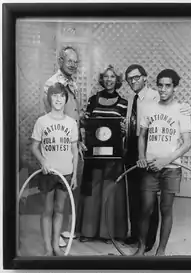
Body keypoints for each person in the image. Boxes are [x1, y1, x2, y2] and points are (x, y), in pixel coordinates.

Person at [124, 64, 191, 252]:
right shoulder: (149, 108)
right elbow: (142, 136)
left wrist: (166, 160)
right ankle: (141, 248)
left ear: (174, 88)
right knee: (145, 209)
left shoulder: (181, 110)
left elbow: (187, 143)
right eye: (160, 85)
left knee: (166, 209)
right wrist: (141, 156)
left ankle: (160, 250)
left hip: (171, 169)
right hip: (150, 168)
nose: (163, 89)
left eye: (168, 86)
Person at [78, 65, 128, 243]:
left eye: (112, 77)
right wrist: (83, 120)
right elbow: (85, 123)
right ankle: (88, 232)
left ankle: (109, 233)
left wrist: (124, 129)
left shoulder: (124, 103)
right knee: (92, 191)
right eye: (106, 77)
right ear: (102, 79)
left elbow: (125, 129)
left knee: (109, 192)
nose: (109, 80)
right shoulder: (93, 100)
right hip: (94, 154)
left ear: (117, 80)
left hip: (113, 156)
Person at [43, 45, 85, 246]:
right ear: (60, 60)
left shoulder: (74, 83)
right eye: (70, 61)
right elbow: (49, 116)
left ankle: (62, 230)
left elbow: (77, 114)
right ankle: (52, 237)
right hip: (58, 144)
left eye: (76, 62)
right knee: (53, 195)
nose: (73, 65)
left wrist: (80, 141)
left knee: (68, 188)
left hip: (72, 142)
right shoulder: (52, 83)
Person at [31, 82, 78, 256]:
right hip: (48, 173)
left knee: (59, 209)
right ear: (49, 98)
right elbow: (34, 147)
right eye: (55, 96)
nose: (58, 99)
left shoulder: (71, 123)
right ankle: (47, 247)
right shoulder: (41, 121)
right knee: (47, 210)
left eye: (61, 96)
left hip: (65, 173)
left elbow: (74, 150)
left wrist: (74, 175)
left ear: (66, 99)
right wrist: (42, 161)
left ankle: (56, 246)